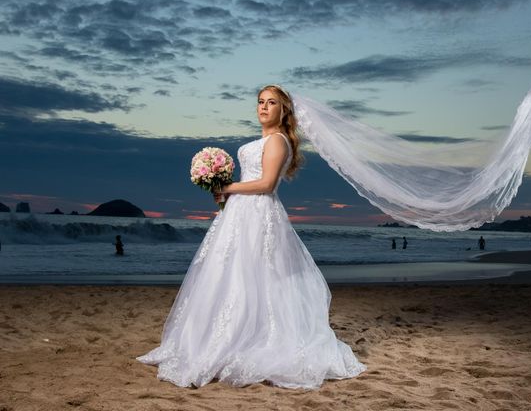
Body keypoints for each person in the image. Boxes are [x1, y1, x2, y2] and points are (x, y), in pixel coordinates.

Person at [137, 85, 365, 389]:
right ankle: (222, 337)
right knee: (229, 273)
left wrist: (228, 187)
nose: (264, 107)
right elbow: (250, 181)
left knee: (254, 276)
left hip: (260, 214)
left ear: (283, 111)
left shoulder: (278, 141)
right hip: (240, 213)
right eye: (260, 102)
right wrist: (222, 195)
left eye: (271, 103)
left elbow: (267, 184)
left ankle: (247, 340)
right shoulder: (262, 141)